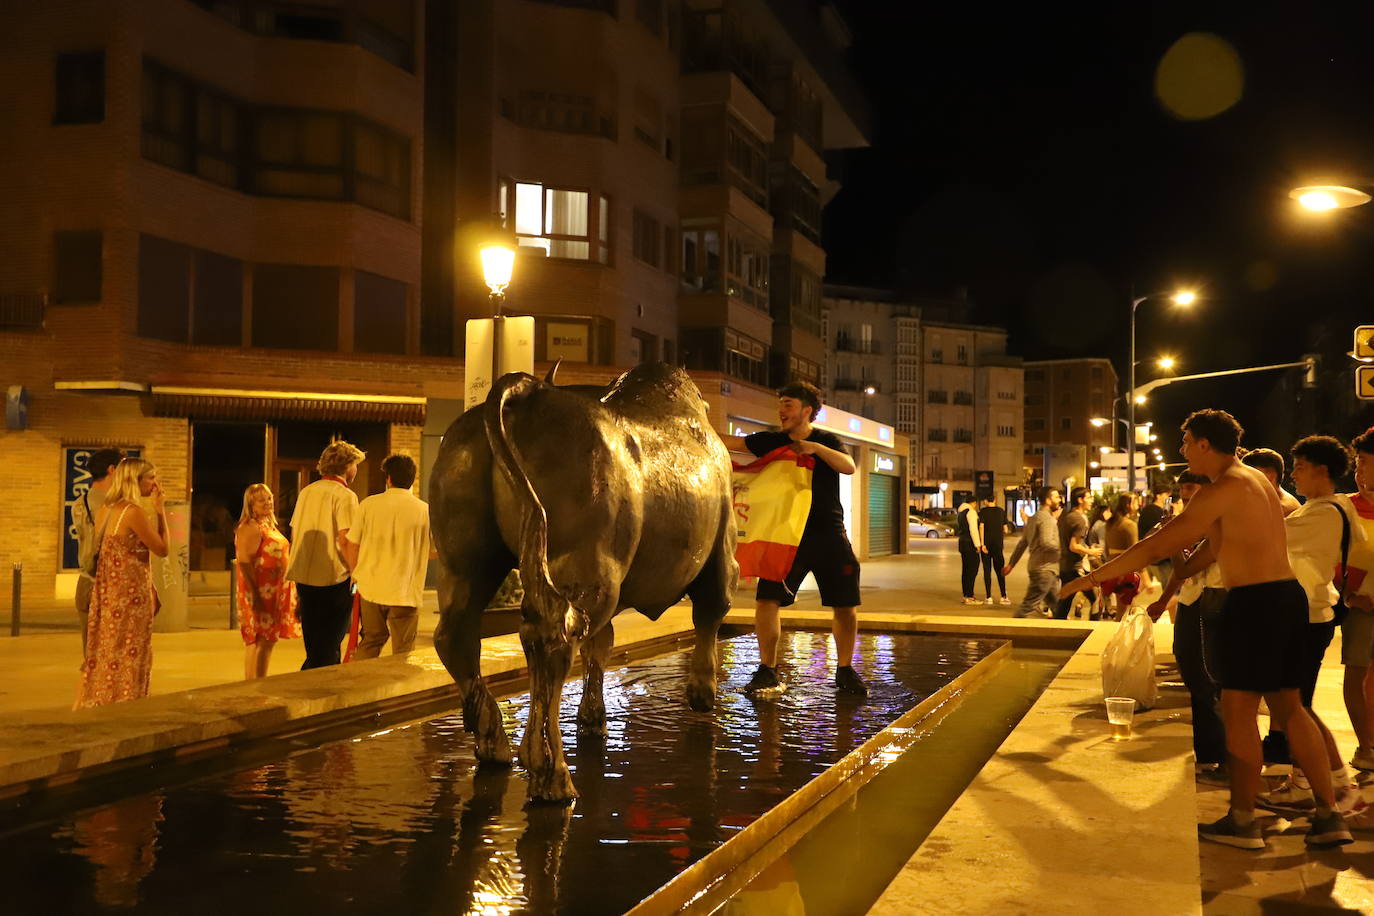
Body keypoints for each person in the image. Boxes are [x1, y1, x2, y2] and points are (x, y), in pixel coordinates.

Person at [1061, 409, 1352, 849]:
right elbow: (1205, 555)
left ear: (1202, 444)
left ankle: (1242, 822)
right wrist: (1178, 565)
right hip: (1285, 599)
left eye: (1185, 442)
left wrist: (1088, 579)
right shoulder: (1255, 480)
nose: (1181, 452)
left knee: (1237, 711)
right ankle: (1330, 816)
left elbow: (1155, 546)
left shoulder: (1224, 487)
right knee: (1290, 707)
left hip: (1253, 606)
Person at [723, 381, 866, 696]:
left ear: (807, 410)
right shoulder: (770, 441)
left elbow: (849, 466)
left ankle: (844, 669)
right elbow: (728, 443)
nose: (781, 410)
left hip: (829, 533)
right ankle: (767, 669)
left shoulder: (826, 440)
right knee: (767, 600)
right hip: (786, 535)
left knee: (845, 604)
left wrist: (815, 449)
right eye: (781, 404)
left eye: (788, 404)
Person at [1254, 436, 1366, 815]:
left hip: (1306, 616)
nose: (1295, 475)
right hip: (1307, 614)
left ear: (1321, 470)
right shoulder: (1327, 508)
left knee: (1297, 707)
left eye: (1299, 467)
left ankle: (1337, 786)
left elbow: (1268, 539)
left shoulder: (1325, 512)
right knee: (1296, 706)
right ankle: (1309, 782)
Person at [1146, 470, 1228, 777]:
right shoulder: (1197, 522)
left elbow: (1186, 564)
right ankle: (1209, 754)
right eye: (1181, 492)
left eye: (1190, 490)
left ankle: (1222, 756)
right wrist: (1164, 598)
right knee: (1194, 675)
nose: (1184, 497)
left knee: (1208, 680)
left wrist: (1172, 537)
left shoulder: (1218, 521)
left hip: (1212, 601)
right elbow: (1183, 573)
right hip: (1193, 600)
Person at [75, 458, 168, 709]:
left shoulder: (107, 509)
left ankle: (104, 697)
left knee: (108, 648)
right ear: (134, 481)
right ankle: (128, 699)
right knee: (131, 650)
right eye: (151, 477)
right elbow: (162, 549)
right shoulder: (132, 512)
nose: (155, 483)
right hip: (131, 595)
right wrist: (160, 512)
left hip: (109, 593)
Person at [342, 454, 431, 659]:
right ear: (413, 479)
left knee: (371, 640)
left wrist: (356, 574)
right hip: (405, 592)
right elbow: (433, 550)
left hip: (370, 588)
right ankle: (398, 690)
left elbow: (352, 543)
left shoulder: (368, 505)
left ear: (388, 478)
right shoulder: (424, 510)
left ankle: (360, 686)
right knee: (403, 649)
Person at [286, 440, 365, 670]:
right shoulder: (345, 496)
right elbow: (345, 539)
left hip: (304, 577)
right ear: (347, 466)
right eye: (355, 464)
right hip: (334, 579)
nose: (356, 470)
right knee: (330, 644)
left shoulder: (306, 492)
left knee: (314, 641)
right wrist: (356, 573)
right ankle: (320, 689)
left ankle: (313, 684)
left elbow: (295, 531)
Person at [234, 483, 300, 679]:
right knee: (262, 639)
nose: (267, 502)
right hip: (261, 591)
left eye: (269, 498)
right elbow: (245, 562)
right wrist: (254, 594)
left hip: (272, 591)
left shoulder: (267, 525)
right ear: (251, 505)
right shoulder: (251, 526)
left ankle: (253, 684)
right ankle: (258, 685)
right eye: (261, 500)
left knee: (263, 639)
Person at [1341, 428, 1374, 772]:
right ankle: (1366, 746)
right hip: (1361, 610)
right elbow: (1331, 560)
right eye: (1356, 463)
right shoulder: (1348, 509)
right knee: (1357, 675)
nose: (1358, 470)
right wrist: (1350, 595)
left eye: (1364, 462)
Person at [72, 448, 125, 656]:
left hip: (85, 582)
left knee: (90, 655)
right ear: (112, 470)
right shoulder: (114, 507)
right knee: (110, 656)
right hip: (108, 585)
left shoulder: (79, 503)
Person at [1002, 486, 1062, 619]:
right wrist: (1064, 548)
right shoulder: (1046, 518)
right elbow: (1046, 543)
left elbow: (1022, 543)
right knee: (1028, 606)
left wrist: (1011, 564)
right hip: (1044, 569)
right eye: (1056, 497)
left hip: (1041, 568)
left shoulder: (1034, 517)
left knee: (1058, 606)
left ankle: (1064, 633)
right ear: (1048, 500)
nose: (1059, 500)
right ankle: (1010, 632)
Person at [1054, 487, 1101, 619]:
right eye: (1088, 497)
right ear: (1080, 500)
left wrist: (1087, 546)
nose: (1091, 500)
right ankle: (1095, 630)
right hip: (1076, 568)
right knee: (1096, 599)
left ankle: (1056, 628)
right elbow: (1073, 546)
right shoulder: (1079, 519)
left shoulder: (1066, 516)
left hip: (1066, 565)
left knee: (1065, 600)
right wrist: (1091, 551)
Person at [1099, 492, 1142, 620]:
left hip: (1112, 566)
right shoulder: (1130, 525)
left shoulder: (1110, 523)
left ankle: (1123, 635)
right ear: (1128, 505)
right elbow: (1135, 551)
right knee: (1123, 612)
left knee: (1123, 609)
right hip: (1125, 570)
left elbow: (1106, 549)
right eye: (1136, 502)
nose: (1138, 505)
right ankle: (1120, 637)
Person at [1241, 447, 1301, 516]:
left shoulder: (1278, 509)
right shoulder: (1273, 498)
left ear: (1271, 477)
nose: (1246, 481)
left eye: (1251, 476)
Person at [978, 497, 1010, 605]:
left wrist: (982, 544)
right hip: (998, 545)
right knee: (1000, 571)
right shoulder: (1001, 511)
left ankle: (988, 597)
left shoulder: (982, 512)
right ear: (995, 500)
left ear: (986, 501)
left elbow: (981, 527)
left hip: (986, 546)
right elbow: (1006, 529)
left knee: (987, 571)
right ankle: (1003, 596)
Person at [956, 498, 983, 605]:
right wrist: (978, 545)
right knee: (972, 569)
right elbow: (973, 529)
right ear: (974, 503)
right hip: (970, 544)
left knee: (966, 570)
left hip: (962, 543)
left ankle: (966, 595)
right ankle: (970, 595)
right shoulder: (971, 512)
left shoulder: (961, 512)